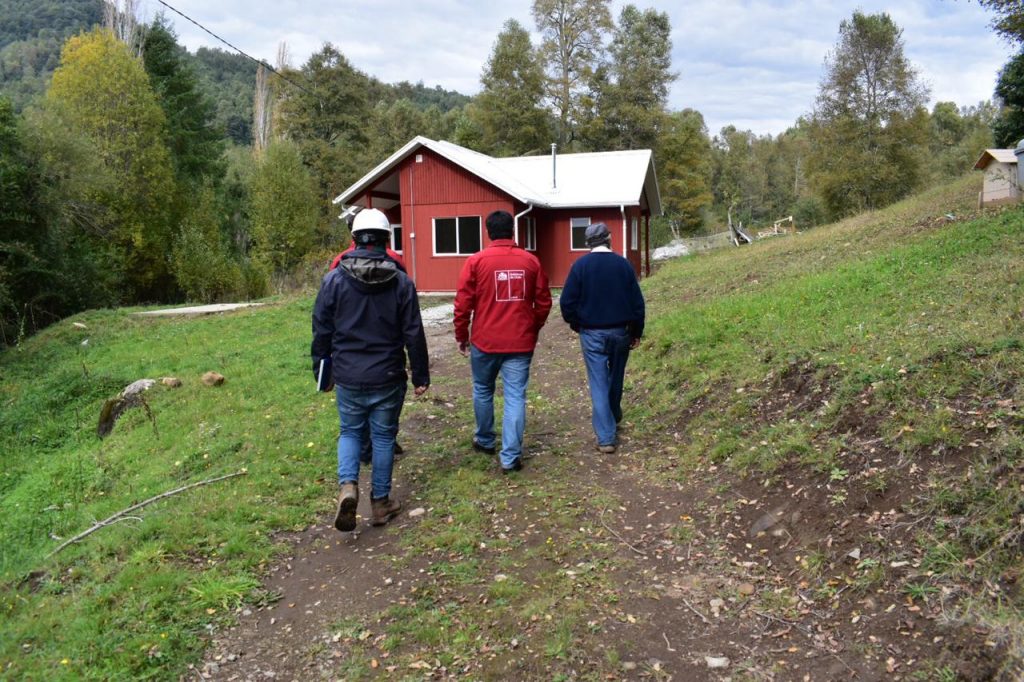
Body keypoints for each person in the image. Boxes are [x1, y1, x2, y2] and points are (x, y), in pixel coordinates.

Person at [311, 208, 430, 532]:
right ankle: (380, 503)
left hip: (348, 374)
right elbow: (413, 331)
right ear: (386, 239)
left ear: (355, 239)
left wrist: (321, 370)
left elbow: (321, 328)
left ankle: (348, 485)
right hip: (388, 375)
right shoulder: (402, 282)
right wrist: (421, 374)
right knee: (383, 436)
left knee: (349, 431)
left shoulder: (333, 280)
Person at [454, 210, 552, 473]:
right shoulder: (530, 262)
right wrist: (533, 326)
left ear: (488, 231)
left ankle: (485, 440)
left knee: (483, 390)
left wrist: (461, 335)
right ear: (513, 231)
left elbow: (463, 303)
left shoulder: (476, 262)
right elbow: (543, 302)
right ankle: (510, 457)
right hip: (519, 342)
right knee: (515, 397)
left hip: (485, 341)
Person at [559, 222, 645, 454]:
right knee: (615, 378)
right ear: (609, 238)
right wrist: (636, 331)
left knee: (598, 382)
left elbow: (567, 303)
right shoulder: (623, 265)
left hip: (592, 333)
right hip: (620, 332)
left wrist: (577, 324)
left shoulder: (580, 266)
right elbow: (637, 303)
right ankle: (612, 416)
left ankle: (606, 437)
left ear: (588, 243)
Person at [330, 210, 408, 462]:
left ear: (353, 234)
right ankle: (385, 443)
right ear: (386, 236)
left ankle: (362, 453)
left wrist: (323, 362)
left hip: (348, 360)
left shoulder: (337, 265)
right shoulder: (395, 262)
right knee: (385, 420)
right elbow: (409, 323)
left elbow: (327, 316)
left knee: (351, 424)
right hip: (387, 361)